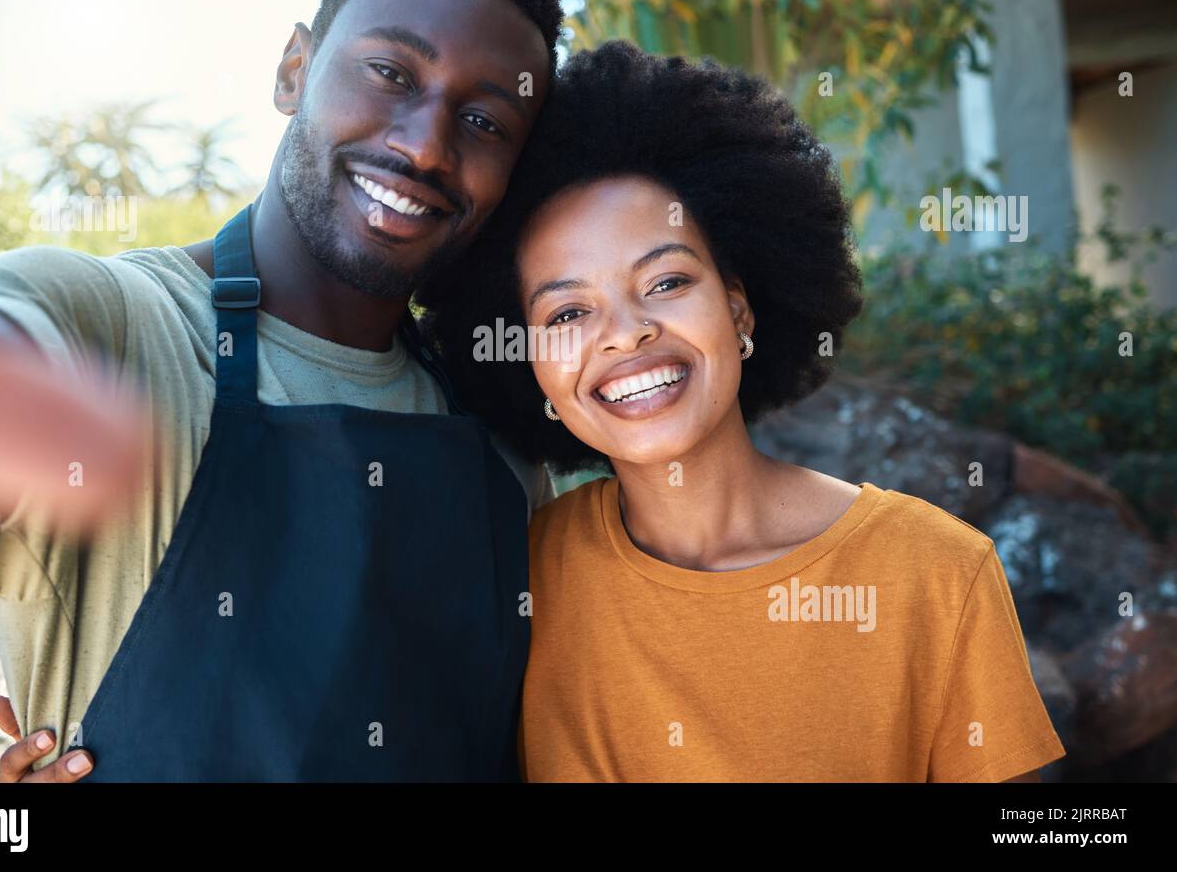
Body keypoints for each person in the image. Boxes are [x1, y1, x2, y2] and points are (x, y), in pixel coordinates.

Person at [0, 0, 561, 781]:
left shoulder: (508, 446)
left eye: (486, 122)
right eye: (391, 72)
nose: (424, 144)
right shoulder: (112, 327)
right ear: (293, 70)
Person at [417, 41, 1068, 781]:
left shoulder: (936, 573)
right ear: (530, 365)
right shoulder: (521, 577)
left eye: (665, 281)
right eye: (567, 312)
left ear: (739, 309)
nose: (626, 332)